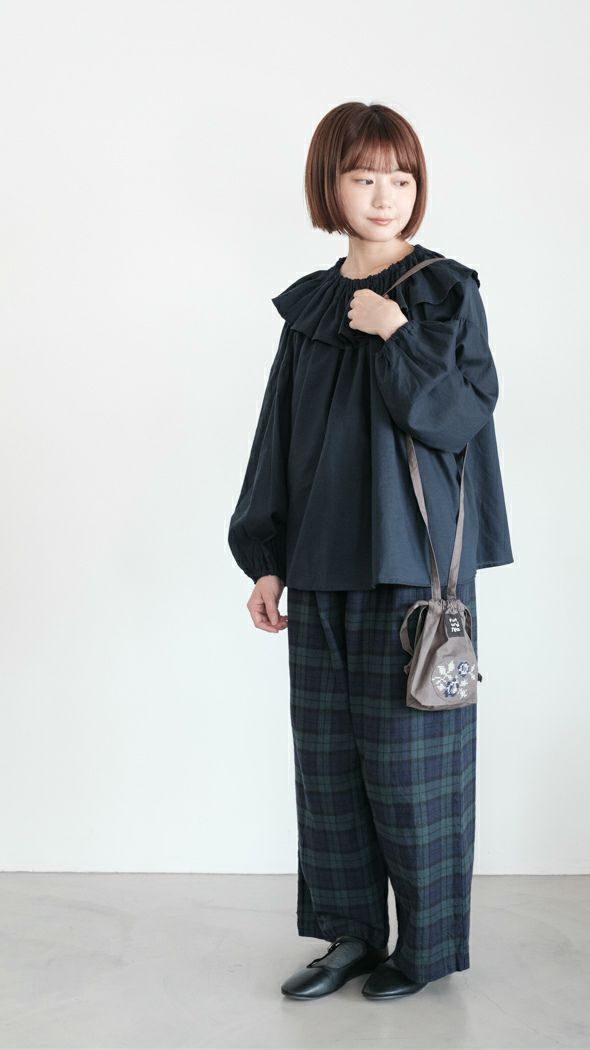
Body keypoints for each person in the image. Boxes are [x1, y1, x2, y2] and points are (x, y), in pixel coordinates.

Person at [227, 101, 513, 1000]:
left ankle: (423, 950)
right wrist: (265, 557)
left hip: (413, 572)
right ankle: (349, 936)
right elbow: (278, 436)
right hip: (320, 565)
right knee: (329, 764)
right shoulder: (312, 306)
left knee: (413, 770)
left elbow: (458, 417)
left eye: (401, 177)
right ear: (331, 186)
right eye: (364, 176)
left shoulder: (444, 292)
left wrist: (396, 332)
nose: (385, 195)